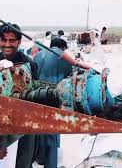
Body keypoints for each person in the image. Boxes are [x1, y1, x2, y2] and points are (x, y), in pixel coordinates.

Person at [33, 38, 91, 168]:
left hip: (37, 96)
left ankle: (40, 156)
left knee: (39, 129)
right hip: (55, 97)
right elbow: (71, 76)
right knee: (53, 132)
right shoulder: (64, 57)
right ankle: (51, 163)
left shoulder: (38, 55)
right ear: (63, 48)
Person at [0, 23, 39, 168]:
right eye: (3, 40)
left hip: (25, 120)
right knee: (5, 157)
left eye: (12, 40)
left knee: (24, 156)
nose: (7, 44)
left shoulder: (29, 63)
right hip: (2, 119)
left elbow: (35, 95)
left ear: (19, 41)